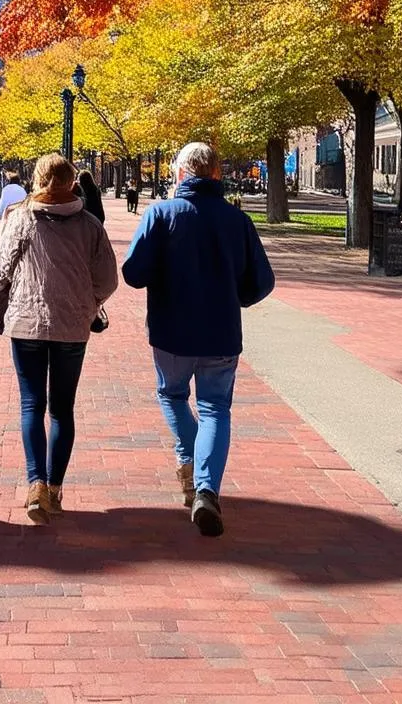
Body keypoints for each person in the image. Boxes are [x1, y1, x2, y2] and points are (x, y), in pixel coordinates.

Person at [121, 142, 275, 538]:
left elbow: (134, 272)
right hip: (221, 332)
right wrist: (236, 296)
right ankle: (206, 488)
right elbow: (262, 281)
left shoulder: (161, 214)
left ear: (180, 175)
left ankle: (192, 462)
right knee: (215, 409)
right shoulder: (236, 220)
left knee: (172, 396)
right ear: (216, 176)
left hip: (171, 332)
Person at [0, 153, 118, 524]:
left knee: (32, 404)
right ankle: (55, 488)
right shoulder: (90, 224)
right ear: (71, 183)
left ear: (37, 179)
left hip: (26, 322)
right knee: (62, 408)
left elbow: (1, 270)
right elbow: (108, 279)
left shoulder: (20, 219)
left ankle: (36, 483)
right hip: (72, 327)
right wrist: (89, 302)